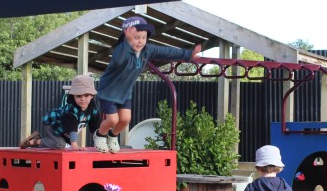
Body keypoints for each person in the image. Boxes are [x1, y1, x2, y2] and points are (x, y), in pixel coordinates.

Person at [93, 16, 202, 153]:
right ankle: (100, 135)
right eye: (136, 37)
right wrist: (127, 42)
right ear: (127, 38)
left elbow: (167, 52)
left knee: (125, 119)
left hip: (125, 92)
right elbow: (118, 61)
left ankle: (112, 136)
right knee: (113, 120)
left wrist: (188, 54)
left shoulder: (147, 51)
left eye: (143, 38)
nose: (140, 41)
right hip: (109, 91)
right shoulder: (122, 50)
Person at [19, 75, 101, 150]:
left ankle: (40, 139)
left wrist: (99, 142)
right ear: (73, 96)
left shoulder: (93, 109)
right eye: (78, 96)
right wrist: (74, 145)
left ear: (92, 95)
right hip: (52, 122)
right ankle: (34, 141)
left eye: (86, 95)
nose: (82, 99)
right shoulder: (71, 109)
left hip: (63, 129)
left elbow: (96, 126)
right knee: (60, 145)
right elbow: (72, 127)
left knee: (63, 143)